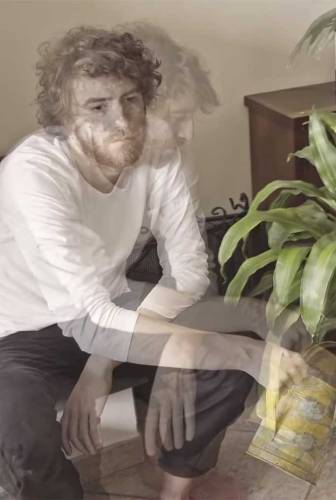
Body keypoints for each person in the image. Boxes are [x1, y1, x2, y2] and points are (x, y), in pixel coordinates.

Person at [0, 27, 305, 500]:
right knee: (17, 425)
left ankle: (169, 476)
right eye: (97, 107)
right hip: (20, 335)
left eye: (131, 100)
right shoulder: (34, 173)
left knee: (224, 353)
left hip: (110, 308)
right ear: (64, 116)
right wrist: (245, 355)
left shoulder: (157, 154)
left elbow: (189, 269)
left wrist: (151, 359)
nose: (121, 121)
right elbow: (90, 319)